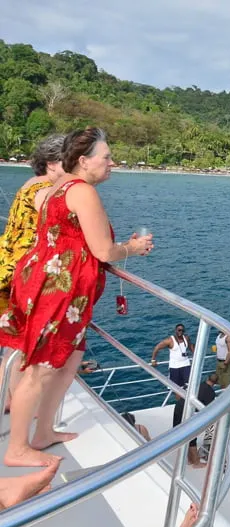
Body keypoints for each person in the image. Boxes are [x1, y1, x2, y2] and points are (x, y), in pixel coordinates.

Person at [0, 126, 153, 467]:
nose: (113, 163)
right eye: (107, 157)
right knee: (39, 369)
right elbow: (102, 250)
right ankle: (18, 448)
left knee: (67, 362)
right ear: (84, 161)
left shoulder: (57, 187)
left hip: (57, 288)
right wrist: (132, 247)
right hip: (58, 292)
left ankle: (44, 432)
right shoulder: (82, 191)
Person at [0, 134, 65, 411]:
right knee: (20, 346)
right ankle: (14, 404)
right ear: (51, 164)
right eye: (69, 160)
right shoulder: (44, 190)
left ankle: (7, 401)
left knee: (13, 345)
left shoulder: (31, 184)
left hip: (8, 267)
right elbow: (54, 221)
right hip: (19, 276)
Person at [172, 374, 218, 468]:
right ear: (216, 383)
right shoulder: (211, 393)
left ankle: (190, 459)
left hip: (179, 408)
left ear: (207, 378)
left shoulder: (198, 385)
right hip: (187, 412)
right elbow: (206, 410)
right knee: (192, 438)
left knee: (182, 435)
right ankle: (196, 462)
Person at [151, 324, 195, 388]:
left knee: (189, 385)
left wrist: (196, 355)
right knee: (176, 387)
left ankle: (186, 397)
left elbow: (190, 346)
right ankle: (180, 397)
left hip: (186, 364)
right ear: (175, 330)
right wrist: (153, 360)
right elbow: (157, 348)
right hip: (175, 366)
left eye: (183, 330)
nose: (181, 332)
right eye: (179, 330)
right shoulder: (170, 340)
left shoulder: (186, 338)